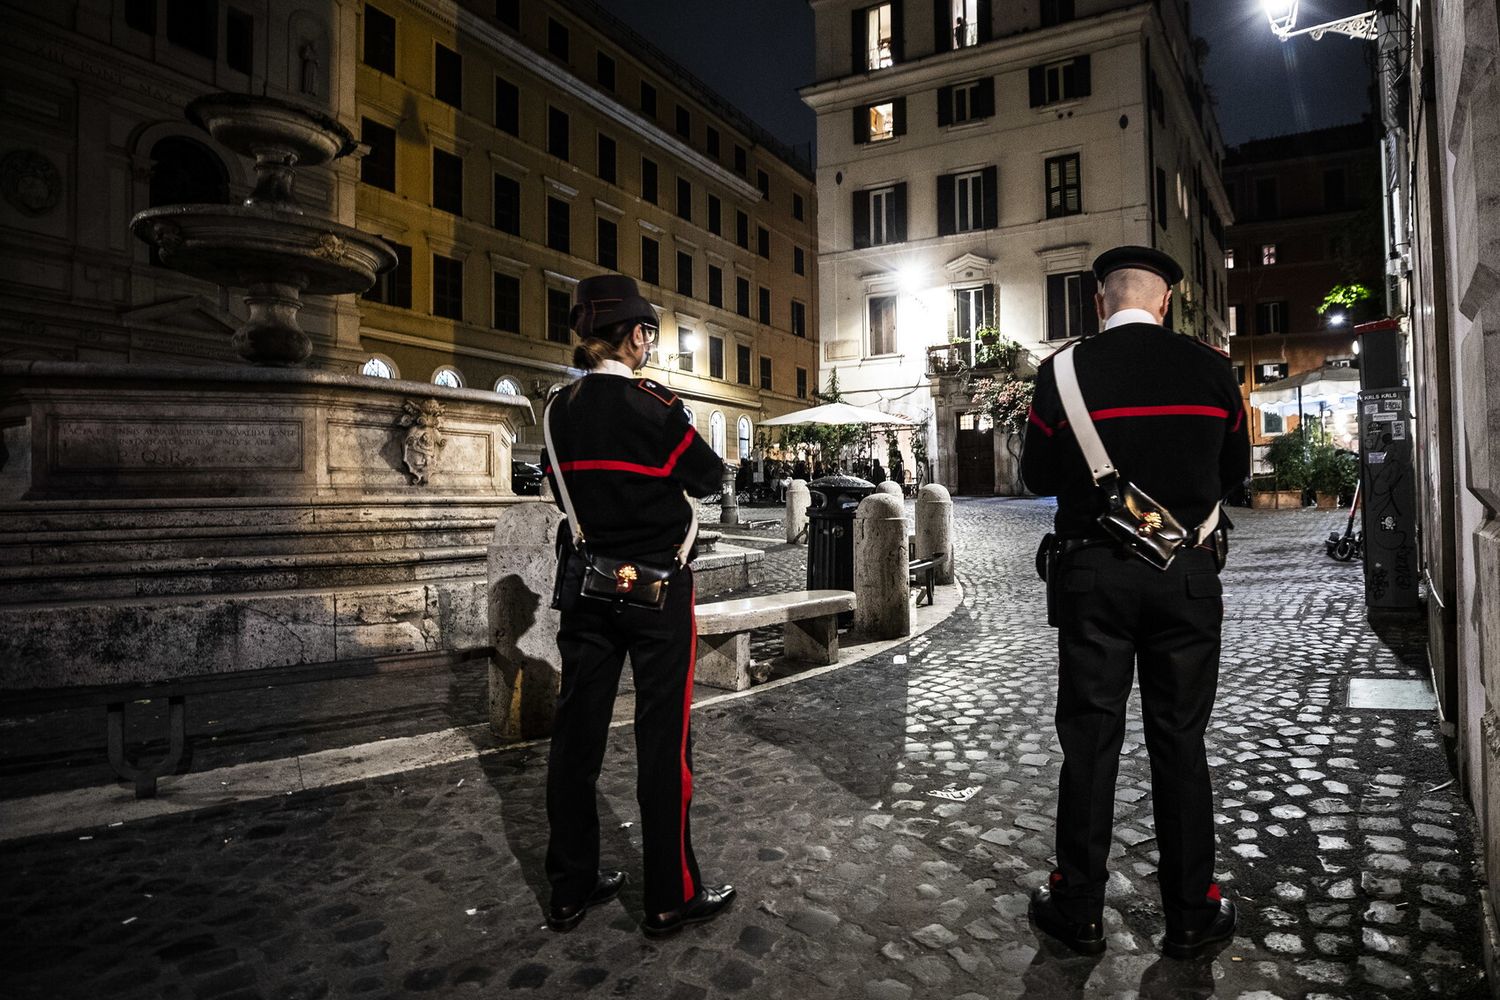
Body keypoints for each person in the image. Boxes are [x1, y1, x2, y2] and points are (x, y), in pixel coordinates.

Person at [1020, 246, 1250, 959]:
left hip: (1092, 577)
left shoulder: (1061, 373)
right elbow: (1235, 474)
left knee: (1088, 744)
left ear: (1098, 302)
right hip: (1185, 577)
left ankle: (1079, 909)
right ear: (1166, 302)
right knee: (1180, 742)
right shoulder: (1213, 370)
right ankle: (1190, 912)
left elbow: (1033, 476)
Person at [541, 274, 735, 936]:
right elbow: (708, 478)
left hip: (588, 588)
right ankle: (667, 898)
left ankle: (569, 887)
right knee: (663, 743)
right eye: (648, 332)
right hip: (656, 590)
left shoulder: (557, 410)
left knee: (575, 738)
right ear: (635, 336)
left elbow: (553, 490)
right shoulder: (654, 407)